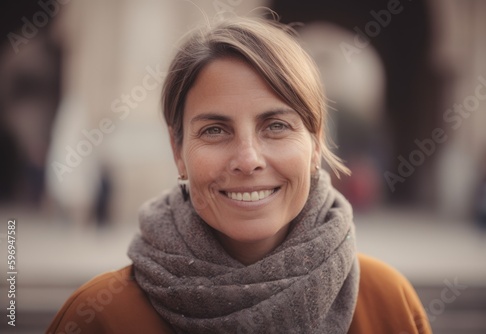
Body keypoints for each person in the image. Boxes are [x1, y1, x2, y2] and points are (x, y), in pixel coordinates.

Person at [47, 16, 431, 334]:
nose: (247, 160)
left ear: (316, 143)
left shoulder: (388, 305)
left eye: (276, 126)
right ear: (177, 150)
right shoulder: (101, 317)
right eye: (215, 130)